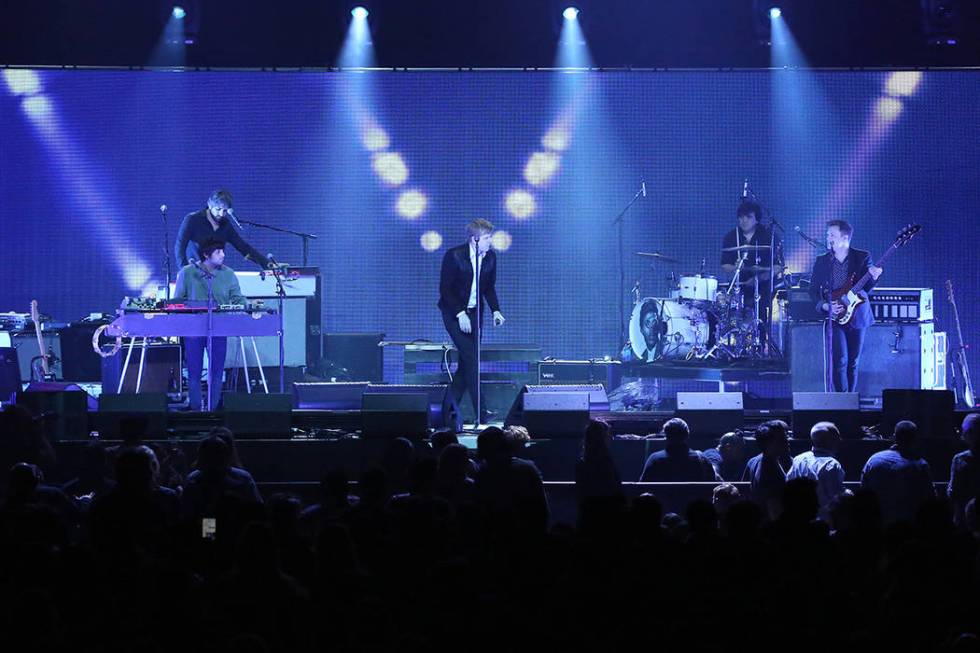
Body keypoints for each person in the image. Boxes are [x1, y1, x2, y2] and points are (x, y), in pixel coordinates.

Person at [438, 219, 505, 424]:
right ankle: (482, 414)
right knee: (472, 360)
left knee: (466, 366)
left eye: (490, 237)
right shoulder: (454, 256)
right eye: (486, 238)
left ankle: (445, 413)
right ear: (474, 239)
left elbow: (488, 287)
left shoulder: (490, 257)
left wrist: (496, 311)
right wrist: (460, 314)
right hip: (454, 313)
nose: (490, 241)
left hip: (475, 314)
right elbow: (445, 289)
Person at [173, 238, 248, 411]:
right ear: (206, 255)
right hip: (193, 326)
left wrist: (250, 306)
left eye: (223, 251)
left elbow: (237, 297)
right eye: (218, 252)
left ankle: (213, 408)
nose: (223, 255)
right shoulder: (188, 272)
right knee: (194, 369)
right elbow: (177, 301)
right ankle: (195, 407)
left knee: (216, 369)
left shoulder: (228, 273)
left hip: (220, 325)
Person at [808, 219, 883, 392]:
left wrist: (874, 277)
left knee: (853, 362)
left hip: (857, 315)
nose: (828, 238)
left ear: (845, 237)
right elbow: (812, 291)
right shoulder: (822, 261)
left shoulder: (862, 257)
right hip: (834, 314)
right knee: (840, 360)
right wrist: (825, 306)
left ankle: (851, 400)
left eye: (832, 235)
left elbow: (866, 289)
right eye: (827, 235)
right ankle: (842, 402)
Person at [720, 199, 783, 339]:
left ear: (756, 219)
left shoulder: (768, 236)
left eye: (748, 217)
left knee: (760, 309)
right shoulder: (731, 237)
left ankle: (759, 342)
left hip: (764, 287)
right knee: (724, 305)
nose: (744, 221)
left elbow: (778, 267)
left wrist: (759, 278)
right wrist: (735, 267)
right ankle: (731, 341)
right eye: (741, 217)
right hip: (739, 285)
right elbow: (725, 265)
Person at [860, 420, 935, 525]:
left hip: (878, 526)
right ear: (915, 439)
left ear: (894, 437)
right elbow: (930, 499)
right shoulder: (920, 465)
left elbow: (863, 493)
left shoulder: (873, 460)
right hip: (908, 528)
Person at [174, 189, 270, 270]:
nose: (221, 214)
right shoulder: (193, 220)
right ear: (210, 205)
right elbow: (180, 246)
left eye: (224, 211)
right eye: (218, 209)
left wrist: (267, 264)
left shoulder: (225, 225)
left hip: (216, 273)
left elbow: (243, 247)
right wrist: (184, 271)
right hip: (195, 270)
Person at [787, 421, 846, 520]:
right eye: (837, 436)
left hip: (799, 521)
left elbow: (788, 485)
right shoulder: (832, 464)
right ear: (830, 440)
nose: (840, 440)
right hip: (823, 525)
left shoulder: (798, 459)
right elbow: (835, 498)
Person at [639, 417, 719, 482]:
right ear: (687, 435)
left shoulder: (655, 459)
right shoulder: (701, 459)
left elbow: (643, 487)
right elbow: (713, 484)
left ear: (666, 436)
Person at [742, 419, 791, 520]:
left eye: (786, 437)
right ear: (768, 444)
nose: (787, 441)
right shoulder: (770, 472)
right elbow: (775, 512)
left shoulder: (753, 461)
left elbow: (745, 491)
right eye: (782, 439)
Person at [949, 412, 980, 528]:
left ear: (971, 433)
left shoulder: (960, 459)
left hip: (964, 519)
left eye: (963, 430)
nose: (961, 433)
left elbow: (953, 492)